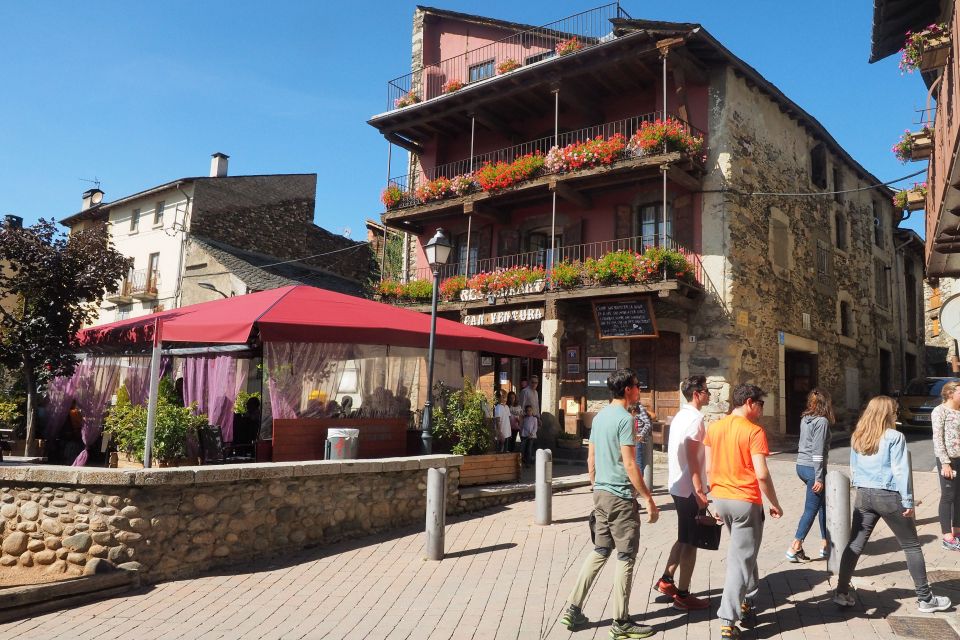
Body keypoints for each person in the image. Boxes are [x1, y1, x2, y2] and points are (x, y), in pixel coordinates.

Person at [559, 368, 659, 639]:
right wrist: (649, 498)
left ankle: (573, 608)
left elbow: (590, 460)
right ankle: (621, 621)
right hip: (620, 497)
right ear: (628, 389)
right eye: (638, 385)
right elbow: (629, 463)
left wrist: (596, 485)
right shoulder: (625, 420)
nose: (640, 390)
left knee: (600, 550)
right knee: (625, 557)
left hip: (600, 494)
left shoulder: (600, 416)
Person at [834, 396, 951, 613]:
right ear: (888, 414)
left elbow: (854, 467)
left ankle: (841, 592)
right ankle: (925, 598)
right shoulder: (894, 437)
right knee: (912, 545)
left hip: (863, 495)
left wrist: (860, 488)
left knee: (855, 544)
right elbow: (900, 470)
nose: (897, 415)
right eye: (895, 412)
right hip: (888, 495)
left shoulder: (858, 436)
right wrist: (907, 500)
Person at [704, 384, 782, 639]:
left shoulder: (714, 427)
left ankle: (748, 599)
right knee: (740, 559)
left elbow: (708, 468)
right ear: (749, 402)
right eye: (760, 404)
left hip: (722, 499)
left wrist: (712, 500)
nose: (762, 410)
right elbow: (761, 473)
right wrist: (775, 502)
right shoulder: (754, 431)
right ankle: (728, 619)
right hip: (745, 501)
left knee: (745, 550)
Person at [654, 375, 711, 611]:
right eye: (707, 390)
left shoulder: (680, 415)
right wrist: (700, 491)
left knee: (684, 534)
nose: (710, 394)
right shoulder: (696, 419)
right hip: (689, 489)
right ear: (697, 394)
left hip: (678, 486)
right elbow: (692, 457)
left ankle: (667, 580)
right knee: (691, 542)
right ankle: (684, 595)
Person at [786, 388, 834, 562]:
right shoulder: (821, 422)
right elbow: (818, 450)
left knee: (822, 506)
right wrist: (820, 477)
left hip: (801, 465)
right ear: (826, 402)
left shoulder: (805, 418)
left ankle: (825, 544)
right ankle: (795, 546)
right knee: (811, 509)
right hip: (813, 469)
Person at [932, 380, 960, 551]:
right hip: (948, 460)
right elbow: (938, 439)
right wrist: (945, 463)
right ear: (950, 393)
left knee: (959, 497)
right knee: (948, 496)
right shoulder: (939, 411)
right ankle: (947, 537)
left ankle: (957, 532)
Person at [632, 401, 653, 481]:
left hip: (638, 439)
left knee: (638, 463)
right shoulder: (628, 406)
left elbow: (647, 423)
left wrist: (641, 435)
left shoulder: (640, 408)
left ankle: (639, 486)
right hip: (631, 438)